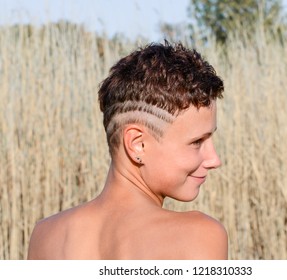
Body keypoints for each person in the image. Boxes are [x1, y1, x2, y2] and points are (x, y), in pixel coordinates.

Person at [27, 41, 228, 260]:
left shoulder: (45, 235)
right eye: (197, 141)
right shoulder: (199, 235)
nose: (214, 159)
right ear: (137, 144)